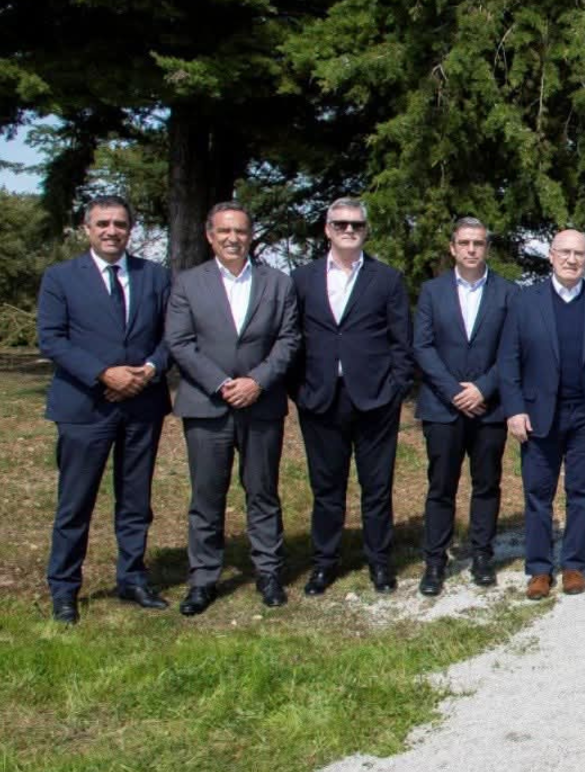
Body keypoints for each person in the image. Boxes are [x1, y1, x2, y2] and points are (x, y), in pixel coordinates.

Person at [36, 196, 172, 623]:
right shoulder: (61, 278)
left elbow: (174, 336)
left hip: (142, 405)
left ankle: (131, 576)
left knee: (135, 500)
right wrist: (104, 374)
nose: (111, 230)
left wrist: (148, 371)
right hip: (84, 406)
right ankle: (64, 588)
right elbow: (52, 338)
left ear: (131, 228)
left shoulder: (155, 276)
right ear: (87, 227)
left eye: (119, 224)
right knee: (75, 502)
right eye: (102, 224)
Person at [164, 202, 301, 615]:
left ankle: (269, 573)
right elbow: (180, 342)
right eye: (224, 231)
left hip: (261, 404)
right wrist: (222, 384)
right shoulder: (188, 283)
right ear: (210, 235)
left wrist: (256, 381)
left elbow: (289, 339)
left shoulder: (277, 283)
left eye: (240, 231)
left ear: (250, 235)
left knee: (263, 493)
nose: (232, 238)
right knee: (206, 496)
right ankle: (203, 579)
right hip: (207, 406)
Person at [290, 198, 413, 597]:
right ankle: (324, 563)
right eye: (340, 224)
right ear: (326, 229)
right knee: (327, 488)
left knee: (376, 488)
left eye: (356, 225)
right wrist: (300, 390)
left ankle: (379, 562)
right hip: (321, 398)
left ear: (366, 231)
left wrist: (395, 388)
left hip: (375, 399)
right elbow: (292, 339)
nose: (348, 230)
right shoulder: (302, 279)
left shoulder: (386, 279)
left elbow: (401, 342)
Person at [498, 229, 585, 600]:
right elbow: (508, 359)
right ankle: (538, 569)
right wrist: (515, 408)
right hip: (538, 414)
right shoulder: (524, 301)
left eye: (579, 253)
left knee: (582, 492)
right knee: (538, 492)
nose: (572, 259)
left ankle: (573, 566)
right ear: (550, 256)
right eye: (565, 252)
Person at [413, 218, 517, 595]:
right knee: (441, 486)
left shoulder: (507, 292)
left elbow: (512, 349)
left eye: (478, 243)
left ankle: (482, 555)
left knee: (486, 484)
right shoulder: (432, 291)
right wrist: (455, 391)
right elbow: (422, 347)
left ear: (487, 247)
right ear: (452, 247)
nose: (472, 249)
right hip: (443, 408)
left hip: (489, 408)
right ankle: (435, 562)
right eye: (464, 243)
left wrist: (484, 389)